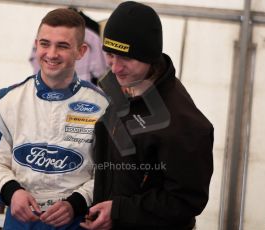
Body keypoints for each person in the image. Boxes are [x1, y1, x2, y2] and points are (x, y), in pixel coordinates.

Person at [80, 1, 214, 230]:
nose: (115, 68)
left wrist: (119, 211)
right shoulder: (119, 89)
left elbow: (186, 201)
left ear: (150, 57)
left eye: (126, 58)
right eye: (110, 55)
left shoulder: (183, 123)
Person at [0, 8, 108, 229]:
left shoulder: (102, 107)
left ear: (81, 51)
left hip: (76, 223)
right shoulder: (8, 101)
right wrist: (12, 191)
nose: (51, 53)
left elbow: (109, 171)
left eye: (63, 46)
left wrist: (76, 203)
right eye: (45, 44)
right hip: (20, 221)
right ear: (36, 45)